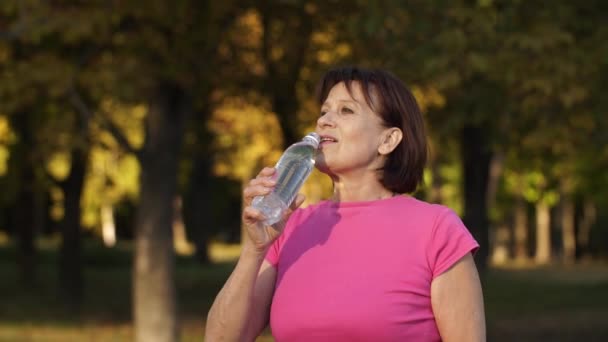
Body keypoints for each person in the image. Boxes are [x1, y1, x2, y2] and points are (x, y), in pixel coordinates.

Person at [205, 66, 485, 341]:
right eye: (324, 111)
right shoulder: (289, 228)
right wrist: (254, 250)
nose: (324, 120)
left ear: (388, 140)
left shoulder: (436, 229)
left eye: (346, 110)